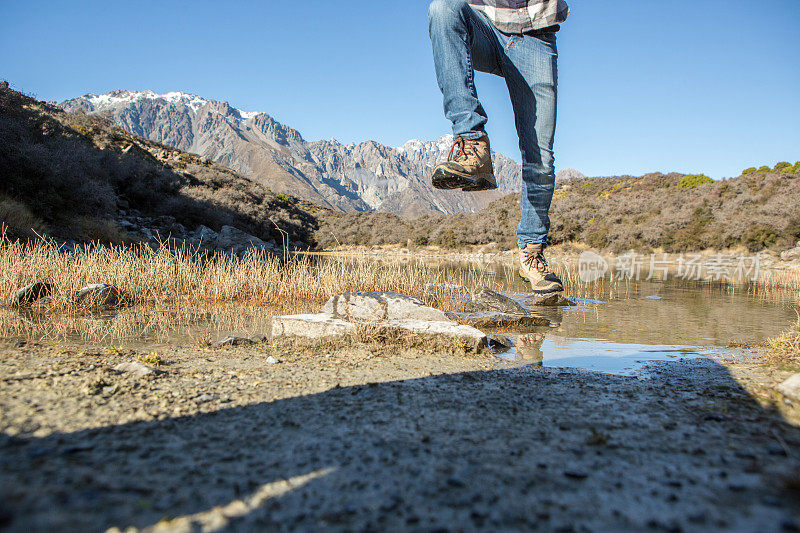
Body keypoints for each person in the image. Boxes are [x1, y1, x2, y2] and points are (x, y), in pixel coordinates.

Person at [428, 0, 569, 293]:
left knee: (540, 157)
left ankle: (532, 253)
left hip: (536, 35)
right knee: (442, 8)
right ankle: (472, 141)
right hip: (484, 25)